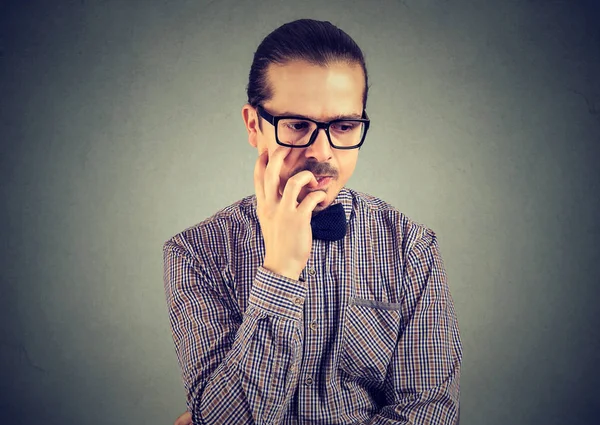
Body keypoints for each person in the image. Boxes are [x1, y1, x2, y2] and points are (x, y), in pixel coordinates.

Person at [163, 18, 462, 425]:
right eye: (297, 125)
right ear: (255, 126)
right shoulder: (194, 253)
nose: (323, 152)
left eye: (344, 126)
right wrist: (280, 271)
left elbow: (429, 414)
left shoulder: (411, 247)